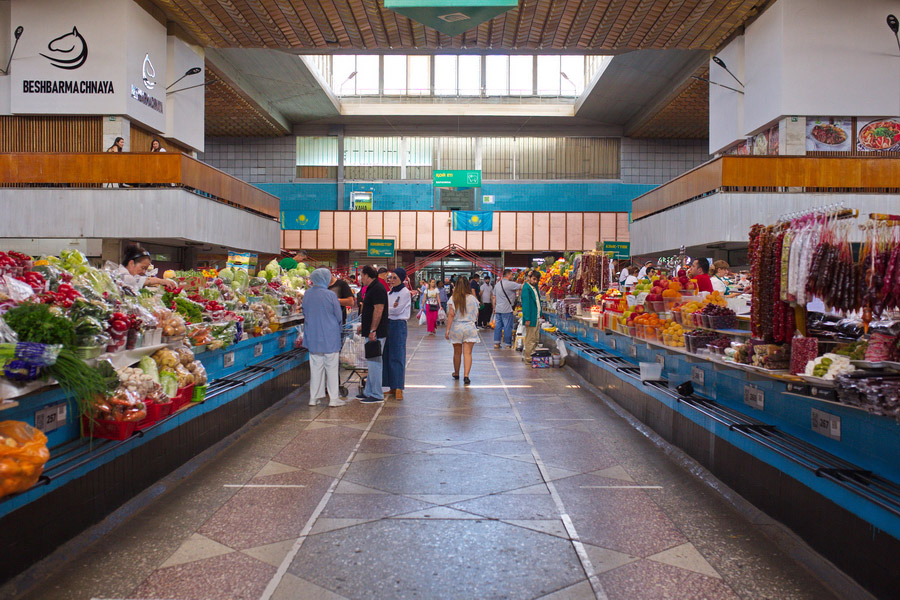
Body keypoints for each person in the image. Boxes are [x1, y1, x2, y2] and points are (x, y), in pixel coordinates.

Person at [302, 268, 346, 407]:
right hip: (330, 336)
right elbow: (338, 315)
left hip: (313, 335)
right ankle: (333, 399)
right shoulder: (330, 295)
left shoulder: (307, 294)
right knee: (331, 367)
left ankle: (313, 398)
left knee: (315, 368)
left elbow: (305, 313)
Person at [358, 266, 388, 403]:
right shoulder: (372, 287)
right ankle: (368, 391)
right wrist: (364, 326)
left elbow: (378, 310)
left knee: (375, 363)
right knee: (372, 362)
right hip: (371, 330)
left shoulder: (377, 288)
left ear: (367, 275)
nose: (360, 278)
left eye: (361, 275)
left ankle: (377, 394)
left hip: (377, 332)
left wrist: (372, 330)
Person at [445, 275, 480, 385]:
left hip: (456, 327)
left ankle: (456, 373)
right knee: (468, 353)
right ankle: (466, 376)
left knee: (457, 352)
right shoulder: (472, 298)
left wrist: (447, 330)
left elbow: (451, 315)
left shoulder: (453, 298)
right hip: (469, 326)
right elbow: (477, 314)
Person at [383, 268, 411, 401]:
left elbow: (397, 310)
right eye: (390, 278)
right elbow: (390, 309)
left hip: (398, 325)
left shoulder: (405, 292)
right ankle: (391, 386)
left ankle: (399, 386)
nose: (392, 280)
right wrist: (390, 309)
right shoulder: (389, 293)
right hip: (388, 324)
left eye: (395, 278)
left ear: (401, 278)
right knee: (387, 355)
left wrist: (387, 310)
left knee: (398, 355)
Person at [492, 269, 522, 350]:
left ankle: (496, 343)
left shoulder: (497, 285)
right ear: (508, 275)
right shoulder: (510, 284)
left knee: (498, 326)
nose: (512, 276)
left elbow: (494, 297)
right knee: (507, 326)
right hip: (507, 309)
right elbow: (522, 286)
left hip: (498, 309)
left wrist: (494, 308)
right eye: (512, 275)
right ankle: (508, 344)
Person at [521, 269, 542, 362]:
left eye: (537, 280)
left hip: (536, 317)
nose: (535, 281)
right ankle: (528, 357)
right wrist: (527, 318)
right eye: (533, 279)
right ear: (529, 278)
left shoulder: (533, 287)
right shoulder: (526, 288)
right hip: (531, 318)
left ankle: (532, 354)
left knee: (535, 338)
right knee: (530, 338)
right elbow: (525, 305)